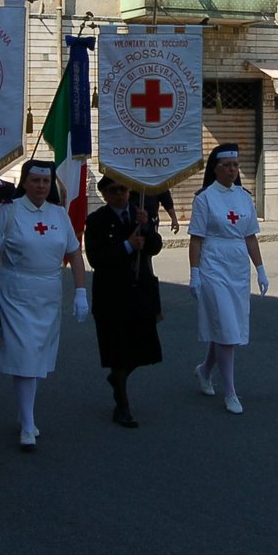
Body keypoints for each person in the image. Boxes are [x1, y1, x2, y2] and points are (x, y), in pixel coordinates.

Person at [0, 160, 89, 450]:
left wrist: (80, 291)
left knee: (37, 355)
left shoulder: (58, 213)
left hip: (48, 291)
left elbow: (75, 253)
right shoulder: (8, 211)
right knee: (24, 353)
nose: (41, 186)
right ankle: (28, 424)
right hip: (16, 290)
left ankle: (24, 409)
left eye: (45, 182)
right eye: (34, 181)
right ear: (24, 182)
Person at [189, 143, 268, 415]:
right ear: (215, 168)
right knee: (226, 327)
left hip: (237, 266)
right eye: (227, 166)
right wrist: (195, 273)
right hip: (213, 264)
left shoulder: (244, 197)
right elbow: (196, 238)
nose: (233, 170)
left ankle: (205, 370)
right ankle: (231, 392)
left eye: (236, 165)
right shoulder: (204, 198)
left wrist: (260, 268)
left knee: (228, 327)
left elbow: (250, 236)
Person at [86, 175, 163, 428]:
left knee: (145, 349)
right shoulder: (96, 220)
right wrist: (128, 246)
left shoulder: (139, 213)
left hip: (140, 291)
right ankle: (122, 405)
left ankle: (117, 378)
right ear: (105, 194)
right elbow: (97, 258)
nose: (120, 194)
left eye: (124, 189)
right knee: (117, 350)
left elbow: (155, 247)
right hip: (113, 295)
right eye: (114, 190)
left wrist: (148, 228)